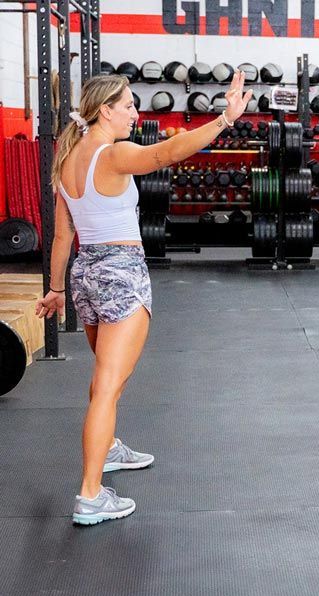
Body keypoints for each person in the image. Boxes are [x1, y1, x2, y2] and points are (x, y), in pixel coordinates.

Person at [35, 72, 251, 525]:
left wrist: (56, 290)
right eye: (129, 105)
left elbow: (61, 234)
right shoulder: (113, 154)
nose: (136, 113)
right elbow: (168, 152)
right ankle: (90, 495)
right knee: (109, 387)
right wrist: (224, 120)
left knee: (104, 380)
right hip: (120, 272)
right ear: (105, 110)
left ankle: (108, 447)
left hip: (86, 273)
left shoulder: (68, 154)